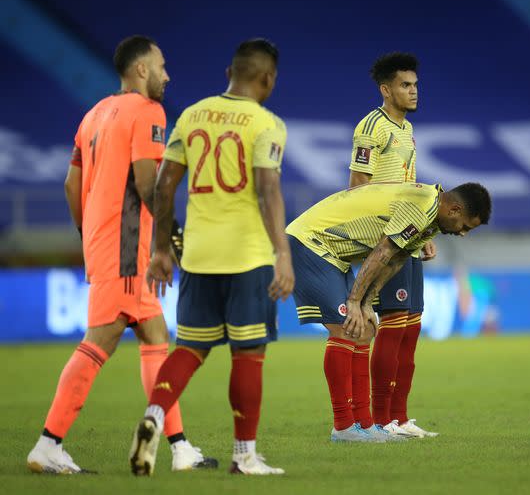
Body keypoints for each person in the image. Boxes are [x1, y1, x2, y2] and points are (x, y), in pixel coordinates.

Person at [26, 35, 215, 475]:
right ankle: (48, 443)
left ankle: (180, 447)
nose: (168, 75)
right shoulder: (148, 111)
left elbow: (72, 185)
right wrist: (169, 237)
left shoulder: (92, 115)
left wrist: (86, 231)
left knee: (154, 336)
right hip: (127, 245)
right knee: (100, 341)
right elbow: (149, 183)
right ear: (142, 70)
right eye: (162, 65)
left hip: (104, 240)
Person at [128, 38, 294, 477]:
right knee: (248, 353)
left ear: (228, 74)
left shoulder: (192, 114)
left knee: (190, 349)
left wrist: (162, 250)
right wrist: (283, 252)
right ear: (267, 79)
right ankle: (245, 456)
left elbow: (163, 187)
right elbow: (267, 189)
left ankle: (155, 417)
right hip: (247, 256)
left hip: (198, 256)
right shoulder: (267, 123)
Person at [286, 181, 490, 442]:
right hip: (310, 243)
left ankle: (364, 425)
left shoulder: (430, 218)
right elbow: (383, 252)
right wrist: (354, 302)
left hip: (332, 253)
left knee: (366, 329)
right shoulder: (421, 207)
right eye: (465, 226)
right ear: (454, 210)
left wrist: (368, 301)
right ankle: (343, 426)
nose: (462, 233)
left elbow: (396, 260)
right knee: (346, 327)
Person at [348, 52, 437, 438]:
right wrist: (384, 237)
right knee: (393, 326)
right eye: (405, 85)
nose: (413, 91)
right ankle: (382, 420)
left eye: (415, 84)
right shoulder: (372, 127)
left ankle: (399, 418)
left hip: (408, 238)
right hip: (385, 242)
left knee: (411, 329)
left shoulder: (406, 129)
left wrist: (425, 232)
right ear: (386, 90)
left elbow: (410, 189)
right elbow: (356, 189)